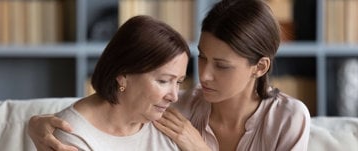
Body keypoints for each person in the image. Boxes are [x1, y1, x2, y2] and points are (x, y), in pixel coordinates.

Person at [28, 0, 311, 151]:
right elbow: (110, 108)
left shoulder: (288, 118)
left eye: (222, 65)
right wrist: (37, 123)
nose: (205, 76)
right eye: (202, 58)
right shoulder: (179, 109)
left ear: (259, 67)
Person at [28, 15, 191, 151]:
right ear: (123, 75)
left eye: (179, 82)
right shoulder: (72, 135)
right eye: (163, 81)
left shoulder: (171, 124)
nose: (174, 96)